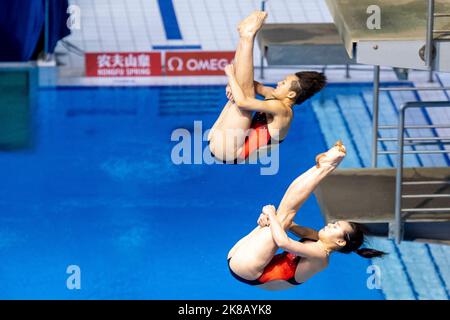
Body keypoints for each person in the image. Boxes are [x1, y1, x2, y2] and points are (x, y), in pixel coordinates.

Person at [227, 141, 386, 290]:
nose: (330, 224)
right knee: (284, 216)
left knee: (284, 215)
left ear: (340, 241)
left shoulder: (320, 256)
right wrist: (270, 220)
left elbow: (283, 242)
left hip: (249, 270)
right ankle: (324, 166)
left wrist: (272, 216)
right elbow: (293, 227)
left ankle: (326, 166)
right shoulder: (319, 240)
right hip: (243, 262)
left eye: (335, 226)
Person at [208, 11, 326, 164]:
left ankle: (248, 35)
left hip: (228, 152)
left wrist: (230, 77)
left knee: (244, 99)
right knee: (243, 87)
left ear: (290, 94)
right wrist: (232, 83)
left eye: (284, 83)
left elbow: (244, 102)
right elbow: (250, 82)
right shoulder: (274, 96)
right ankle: (245, 36)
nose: (279, 83)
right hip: (219, 138)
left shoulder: (282, 111)